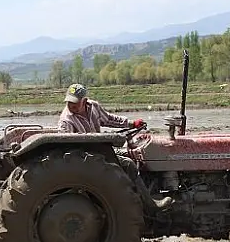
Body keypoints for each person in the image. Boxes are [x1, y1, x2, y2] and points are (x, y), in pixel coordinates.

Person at [57, 83, 174, 213]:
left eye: (75, 102)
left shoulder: (93, 107)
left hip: (100, 150)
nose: (71, 105)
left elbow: (109, 119)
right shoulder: (66, 120)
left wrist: (131, 124)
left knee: (132, 155)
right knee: (129, 164)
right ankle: (149, 204)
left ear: (84, 101)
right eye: (69, 102)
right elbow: (67, 147)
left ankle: (138, 193)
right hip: (87, 158)